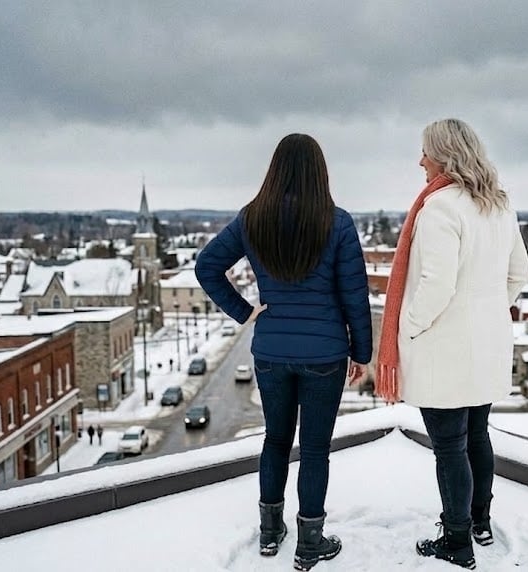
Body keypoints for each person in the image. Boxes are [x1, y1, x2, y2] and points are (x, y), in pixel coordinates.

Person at [196, 133, 371, 571]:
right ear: (319, 171)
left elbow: (206, 266)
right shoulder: (338, 222)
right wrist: (361, 351)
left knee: (275, 440)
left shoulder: (253, 218)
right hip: (325, 355)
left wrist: (245, 312)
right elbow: (355, 295)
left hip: (271, 350)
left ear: (275, 168)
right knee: (314, 449)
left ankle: (271, 532)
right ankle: (310, 542)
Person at [375, 118, 528, 569]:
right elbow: (518, 274)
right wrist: (485, 310)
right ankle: (480, 523)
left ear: (443, 154)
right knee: (477, 435)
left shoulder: (439, 208)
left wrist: (410, 329)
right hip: (488, 346)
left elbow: (436, 284)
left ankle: (457, 542)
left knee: (449, 447)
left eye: (425, 151)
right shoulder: (498, 205)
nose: (420, 161)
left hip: (445, 350)